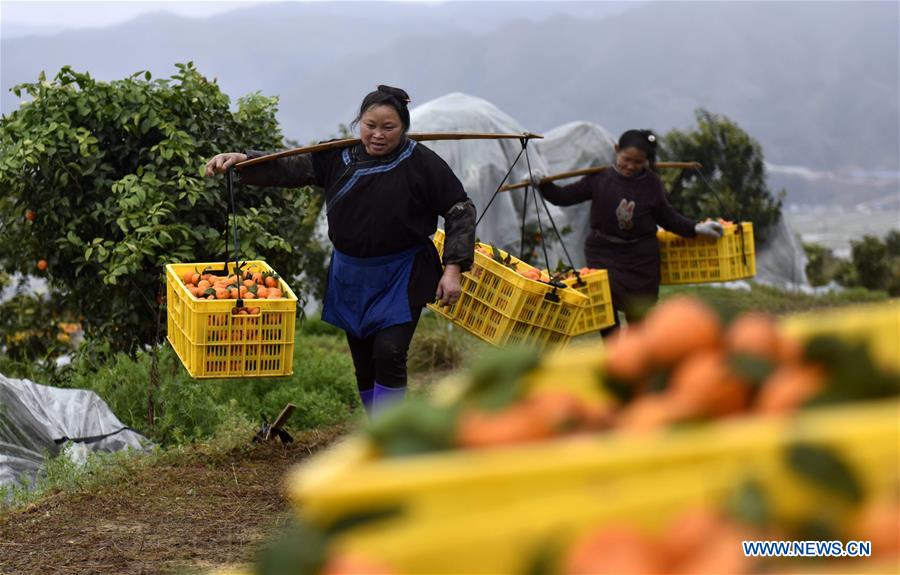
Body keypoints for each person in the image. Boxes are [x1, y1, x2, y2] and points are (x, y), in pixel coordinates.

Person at [204, 85, 476, 414]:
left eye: (388, 127)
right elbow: (288, 167)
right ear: (358, 122)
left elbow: (459, 208)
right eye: (369, 125)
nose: (377, 135)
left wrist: (452, 269)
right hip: (351, 274)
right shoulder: (337, 157)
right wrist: (243, 160)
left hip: (402, 274)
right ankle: (378, 429)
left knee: (389, 352)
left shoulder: (420, 163)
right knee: (363, 360)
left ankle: (388, 436)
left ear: (404, 127)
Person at [532, 129, 723, 336]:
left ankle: (637, 357)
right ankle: (616, 356)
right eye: (626, 159)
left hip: (641, 259)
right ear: (616, 151)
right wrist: (543, 184)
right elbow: (563, 197)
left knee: (639, 319)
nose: (631, 166)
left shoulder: (651, 184)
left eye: (638, 162)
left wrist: (695, 228)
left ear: (647, 161)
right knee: (605, 310)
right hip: (603, 255)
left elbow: (667, 218)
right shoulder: (600, 179)